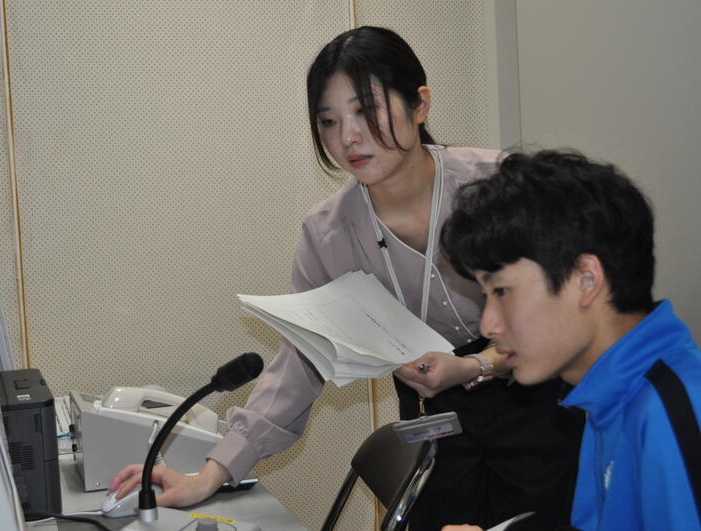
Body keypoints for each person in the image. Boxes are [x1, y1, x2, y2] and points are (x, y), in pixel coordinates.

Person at [108, 27, 584, 530]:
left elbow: (566, 314)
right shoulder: (328, 232)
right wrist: (210, 475)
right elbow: (301, 360)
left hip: (540, 399)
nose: (348, 138)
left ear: (420, 104)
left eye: (366, 111)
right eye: (329, 121)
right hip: (435, 417)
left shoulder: (498, 184)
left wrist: (477, 365)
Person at [439, 150, 701, 531]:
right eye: (485, 296)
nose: (489, 326)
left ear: (586, 280)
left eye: (502, 291)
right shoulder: (607, 393)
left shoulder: (672, 411)